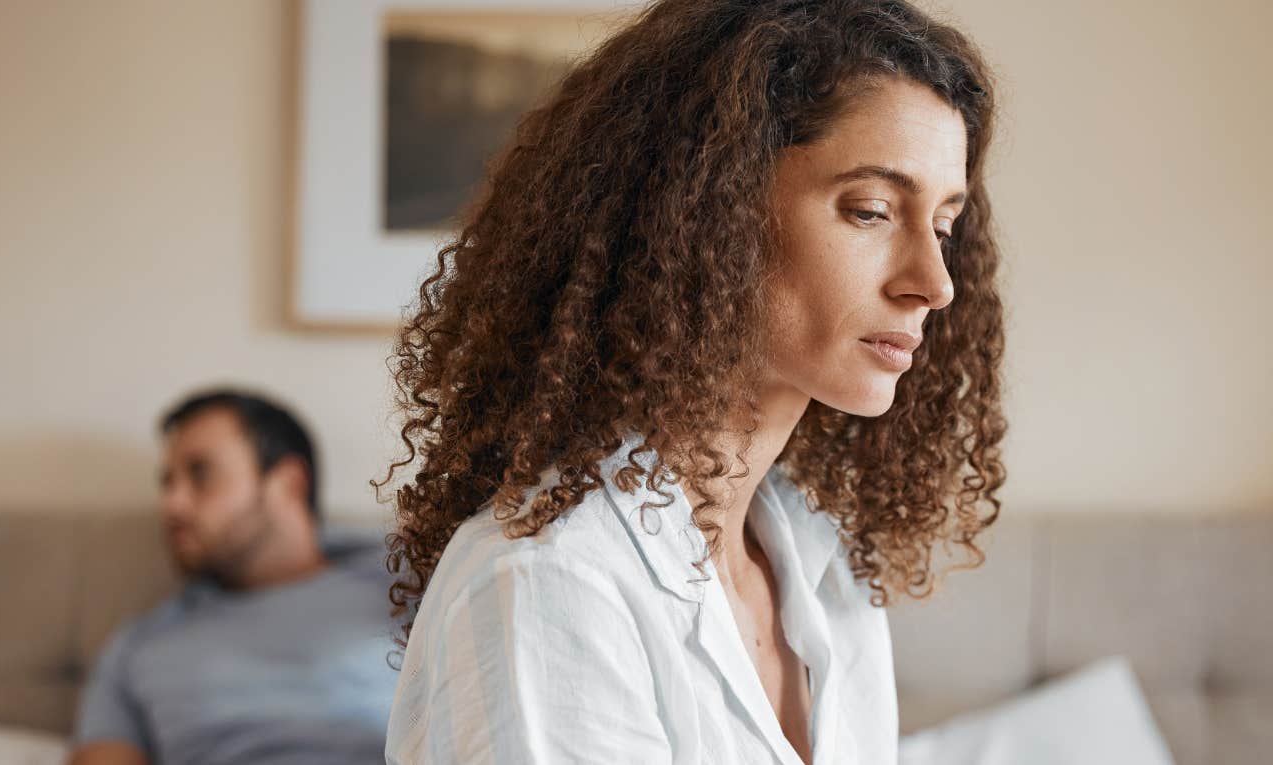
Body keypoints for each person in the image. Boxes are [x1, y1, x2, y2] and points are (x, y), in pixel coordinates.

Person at [379, 0, 1007, 763]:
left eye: (943, 225)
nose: (934, 282)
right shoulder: (548, 584)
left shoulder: (825, 576)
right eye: (872, 211)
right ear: (710, 208)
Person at [69, 388, 397, 765]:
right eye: (167, 482)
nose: (171, 504)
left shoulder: (405, 582)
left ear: (288, 483)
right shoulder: (137, 648)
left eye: (200, 474)